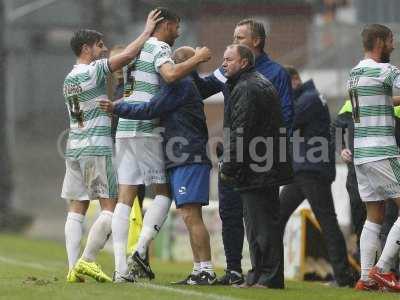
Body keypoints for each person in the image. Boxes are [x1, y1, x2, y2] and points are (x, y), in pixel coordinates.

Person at [100, 46, 217, 285]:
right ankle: (197, 269)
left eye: (173, 60)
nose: (167, 64)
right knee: (186, 212)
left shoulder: (181, 86)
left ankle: (205, 269)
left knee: (190, 215)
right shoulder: (181, 86)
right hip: (177, 156)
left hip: (188, 157)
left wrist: (117, 107)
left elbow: (151, 107)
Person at [61, 10, 162, 283]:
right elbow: (127, 56)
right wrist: (147, 31)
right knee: (110, 207)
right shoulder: (91, 71)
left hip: (74, 146)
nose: (104, 50)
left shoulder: (69, 78)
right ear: (86, 49)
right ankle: (87, 261)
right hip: (96, 146)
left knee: (77, 207)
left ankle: (73, 269)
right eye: (100, 45)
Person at [192, 18, 293, 285]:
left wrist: (266, 155)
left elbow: (285, 119)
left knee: (261, 219)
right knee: (233, 214)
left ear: (255, 42)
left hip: (259, 160)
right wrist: (189, 63)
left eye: (239, 38)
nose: (233, 41)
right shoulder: (228, 70)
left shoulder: (274, 74)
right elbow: (202, 89)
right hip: (236, 157)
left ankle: (266, 274)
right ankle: (236, 269)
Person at [219, 44, 292, 289]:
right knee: (255, 227)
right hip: (258, 167)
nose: (224, 63)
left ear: (244, 62)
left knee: (263, 227)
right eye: (223, 59)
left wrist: (228, 166)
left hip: (259, 168)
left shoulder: (247, 87)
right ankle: (257, 275)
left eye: (229, 59)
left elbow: (241, 131)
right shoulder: (248, 83)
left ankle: (269, 278)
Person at [280, 66, 354, 287]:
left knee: (327, 222)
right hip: (304, 169)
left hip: (311, 169)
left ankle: (343, 277)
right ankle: (268, 271)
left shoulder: (308, 99)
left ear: (294, 80)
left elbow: (286, 123)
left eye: (283, 85)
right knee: (277, 217)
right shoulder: (309, 97)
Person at [348, 24, 400, 292]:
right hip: (382, 149)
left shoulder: (355, 72)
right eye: (391, 41)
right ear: (380, 41)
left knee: (374, 214)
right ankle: (384, 268)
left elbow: (378, 102)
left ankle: (366, 277)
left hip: (361, 153)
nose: (393, 46)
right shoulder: (385, 70)